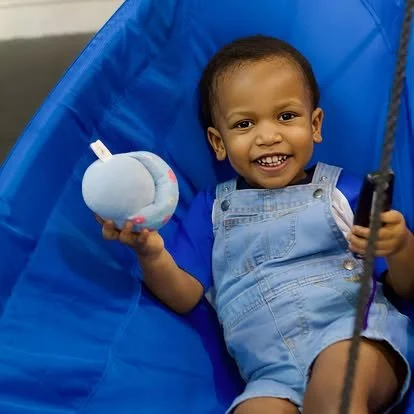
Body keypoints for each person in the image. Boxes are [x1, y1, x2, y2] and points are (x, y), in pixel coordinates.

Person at [97, 35, 414, 414]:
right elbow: (184, 295)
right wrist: (149, 252)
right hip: (270, 375)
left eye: (286, 116)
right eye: (245, 124)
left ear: (315, 124)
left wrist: (401, 245)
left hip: (355, 338)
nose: (268, 136)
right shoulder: (211, 209)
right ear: (219, 142)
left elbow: (405, 287)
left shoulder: (343, 192)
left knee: (335, 387)